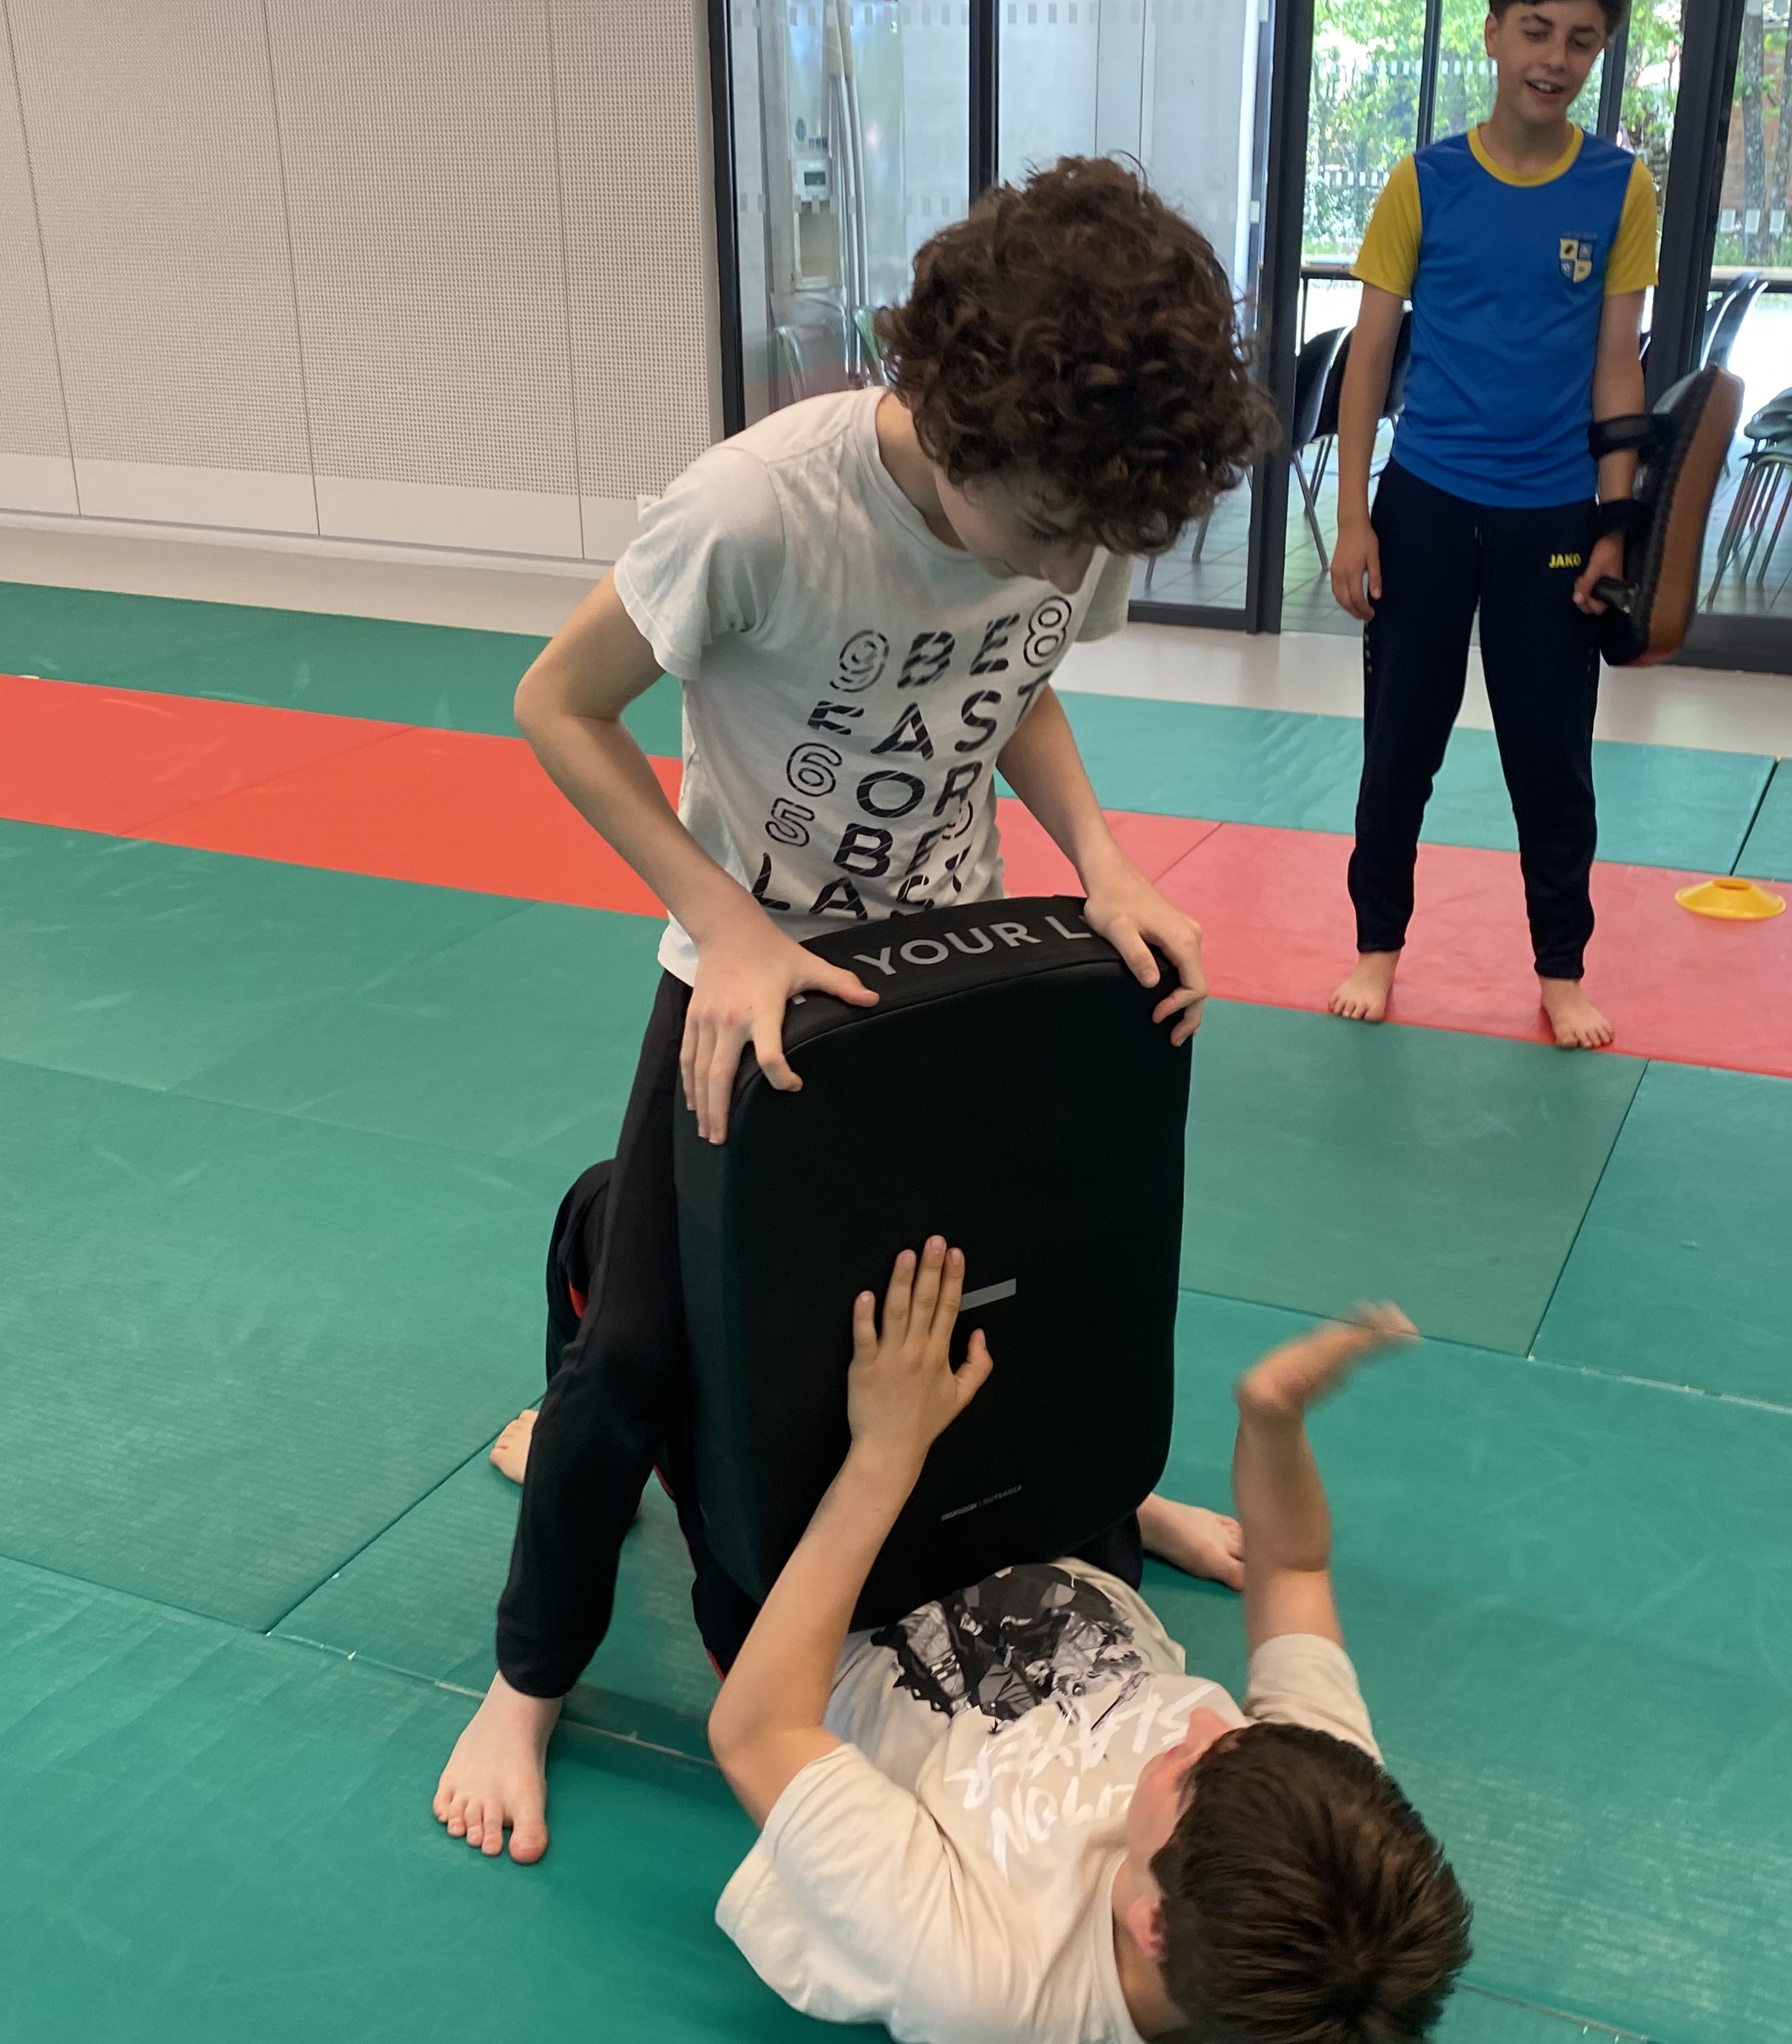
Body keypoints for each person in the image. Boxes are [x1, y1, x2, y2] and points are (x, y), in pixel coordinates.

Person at [434, 157, 1274, 1866]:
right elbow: (557, 706)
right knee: (641, 1351)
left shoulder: (1075, 502)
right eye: (1048, 526)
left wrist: (1104, 860)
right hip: (755, 987)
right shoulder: (756, 514)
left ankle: (1104, 1504)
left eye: (1094, 539)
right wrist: (726, 924)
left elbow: (1012, 681)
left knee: (1012, 1289)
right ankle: (528, 1681)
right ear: (953, 412)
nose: (1070, 560)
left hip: (957, 972)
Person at [707, 1240, 1471, 2044]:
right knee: (1025, 1292)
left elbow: (758, 1734)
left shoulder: (991, 1980)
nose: (1208, 1722)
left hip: (834, 1632)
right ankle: (1138, 1511)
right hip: (1047, 1561)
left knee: (730, 1307)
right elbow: (1292, 1570)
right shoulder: (1324, 1816)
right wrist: (1272, 1420)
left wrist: (885, 1457)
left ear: (1151, 1925)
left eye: (1188, 1768)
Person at [1324, 0, 1653, 1051]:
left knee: (1551, 761)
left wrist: (1615, 525)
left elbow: (1617, 365)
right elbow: (1368, 359)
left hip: (1553, 514)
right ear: (1494, 32)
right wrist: (1352, 519)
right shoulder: (1423, 182)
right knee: (1399, 748)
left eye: (1582, 40)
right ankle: (1378, 946)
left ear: (1600, 51)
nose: (1556, 59)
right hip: (1425, 504)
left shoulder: (1621, 187)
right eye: (1538, 30)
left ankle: (1561, 970)